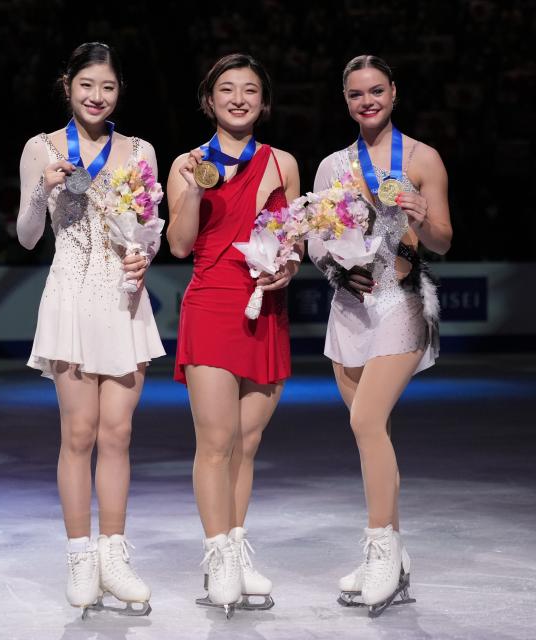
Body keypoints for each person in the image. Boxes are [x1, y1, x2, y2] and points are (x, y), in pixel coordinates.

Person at [16, 42, 165, 617]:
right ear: (67, 85)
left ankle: (114, 555)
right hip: (70, 297)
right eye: (86, 85)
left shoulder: (141, 150)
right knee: (79, 434)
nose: (96, 96)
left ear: (118, 90)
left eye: (106, 86)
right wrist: (43, 189)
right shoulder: (41, 147)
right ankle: (80, 557)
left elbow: (150, 229)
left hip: (124, 299)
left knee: (118, 434)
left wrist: (144, 256)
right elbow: (29, 235)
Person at [310, 54, 452, 617]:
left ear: (394, 92)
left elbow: (442, 241)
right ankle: (395, 554)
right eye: (354, 94)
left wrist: (420, 212)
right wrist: (333, 270)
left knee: (365, 421)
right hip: (349, 310)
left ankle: (378, 551)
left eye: (375, 90)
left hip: (404, 302)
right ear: (345, 100)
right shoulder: (330, 167)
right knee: (376, 433)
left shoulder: (423, 158)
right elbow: (315, 239)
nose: (366, 101)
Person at [166, 53, 300, 616]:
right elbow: (177, 244)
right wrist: (196, 189)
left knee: (247, 443)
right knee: (216, 442)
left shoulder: (284, 163)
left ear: (263, 101)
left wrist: (289, 265)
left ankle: (236, 543)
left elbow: (295, 238)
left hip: (265, 310)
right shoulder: (185, 163)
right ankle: (217, 554)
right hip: (212, 305)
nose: (239, 98)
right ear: (209, 98)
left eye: (250, 89)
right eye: (227, 89)